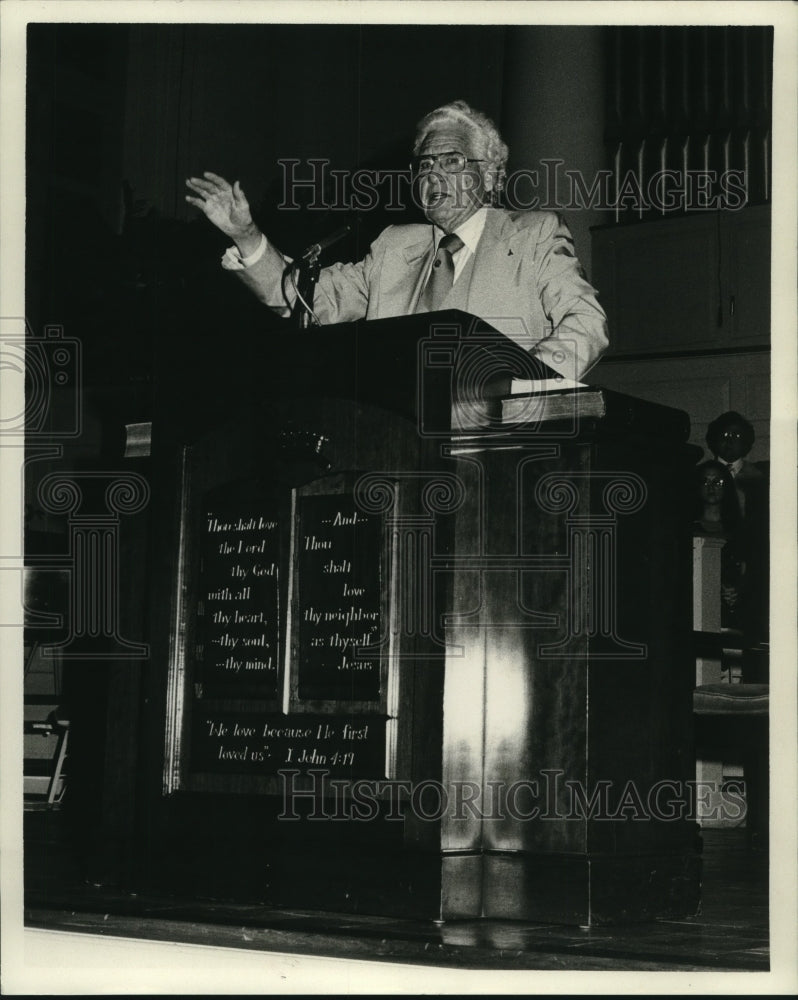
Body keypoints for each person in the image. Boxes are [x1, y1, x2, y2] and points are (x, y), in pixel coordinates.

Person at [185, 100, 608, 379]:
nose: (433, 175)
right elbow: (299, 297)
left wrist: (520, 394)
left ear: (491, 175)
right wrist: (247, 234)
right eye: (424, 166)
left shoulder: (532, 234)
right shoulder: (393, 247)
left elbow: (586, 324)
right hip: (395, 443)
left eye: (452, 161)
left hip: (495, 444)